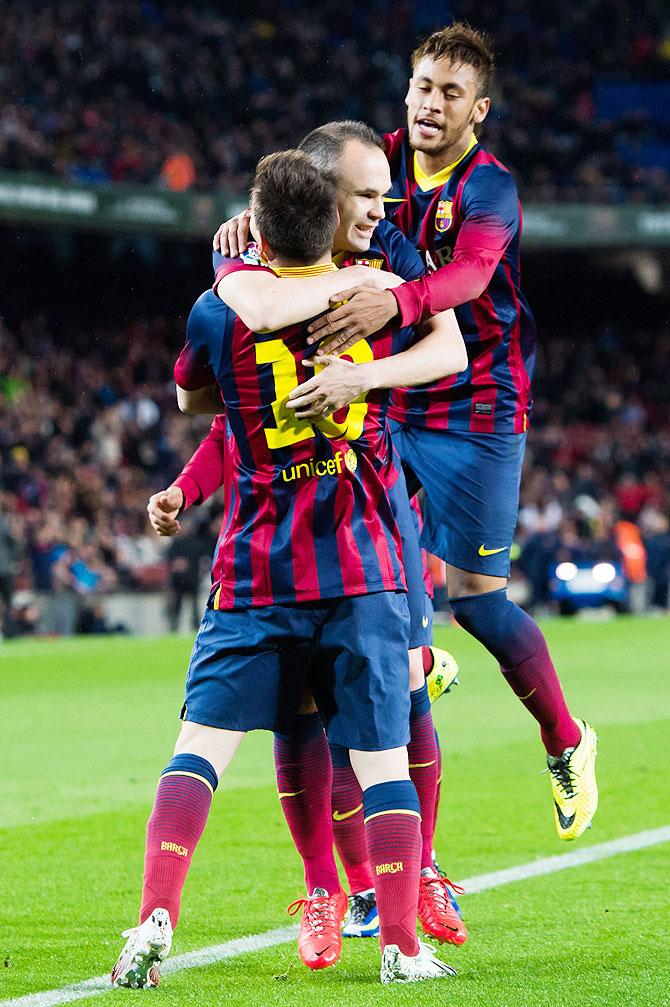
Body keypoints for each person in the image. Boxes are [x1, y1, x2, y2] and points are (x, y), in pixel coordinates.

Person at [214, 25, 598, 843]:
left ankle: (566, 739)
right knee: (377, 594)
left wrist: (399, 300)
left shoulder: (489, 190)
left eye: (450, 93)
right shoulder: (373, 161)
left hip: (478, 404)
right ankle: (404, 865)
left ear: (478, 111)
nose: (431, 103)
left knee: (482, 605)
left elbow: (470, 277)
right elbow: (297, 187)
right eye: (423, 86)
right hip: (393, 395)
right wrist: (240, 225)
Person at [112, 150, 463, 990]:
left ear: (256, 229)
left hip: (259, 568)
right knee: (381, 761)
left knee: (198, 749)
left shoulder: (215, 308)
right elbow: (444, 346)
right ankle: (400, 947)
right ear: (335, 218)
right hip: (362, 561)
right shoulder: (369, 295)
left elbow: (196, 397)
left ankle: (157, 911)